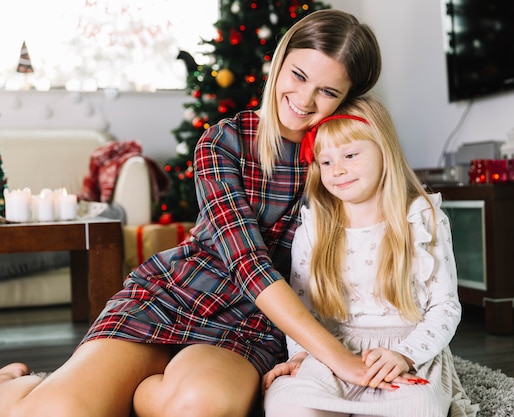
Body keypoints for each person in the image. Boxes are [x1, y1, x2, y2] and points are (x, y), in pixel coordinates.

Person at [0, 9, 385, 417]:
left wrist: (317, 347)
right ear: (278, 60)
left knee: (202, 406)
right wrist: (339, 358)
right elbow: (248, 263)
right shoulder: (223, 141)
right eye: (299, 75)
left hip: (252, 323)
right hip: (174, 295)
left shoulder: (345, 161)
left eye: (327, 92)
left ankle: (130, 390)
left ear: (347, 100)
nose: (305, 99)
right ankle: (21, 384)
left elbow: (361, 259)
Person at [262, 97, 479, 417]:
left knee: (417, 406)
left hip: (405, 349)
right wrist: (300, 355)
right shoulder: (314, 225)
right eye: (325, 161)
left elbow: (445, 307)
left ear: (384, 150)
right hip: (333, 348)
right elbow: (302, 307)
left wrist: (405, 355)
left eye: (350, 155)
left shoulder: (423, 217)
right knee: (284, 403)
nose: (337, 169)